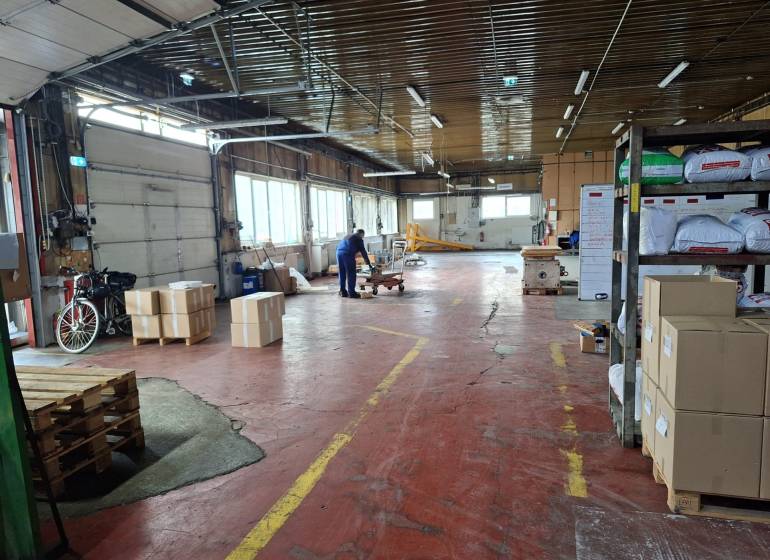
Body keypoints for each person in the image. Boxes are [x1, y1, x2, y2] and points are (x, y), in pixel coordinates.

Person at [336, 229, 374, 298]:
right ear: (362, 234)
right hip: (347, 254)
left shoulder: (348, 235)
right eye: (363, 236)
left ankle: (342, 291)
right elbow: (363, 252)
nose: (362, 237)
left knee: (342, 272)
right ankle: (351, 293)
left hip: (339, 253)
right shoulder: (358, 239)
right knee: (351, 273)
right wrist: (368, 264)